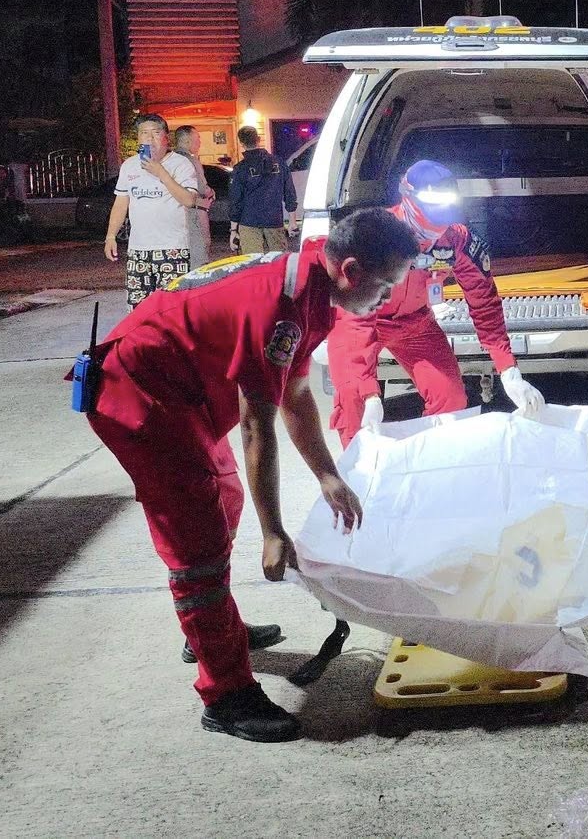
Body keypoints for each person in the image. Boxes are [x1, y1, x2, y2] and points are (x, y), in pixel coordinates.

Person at [82, 204, 416, 742]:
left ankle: (212, 631)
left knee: (228, 496)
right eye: (384, 285)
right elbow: (256, 425)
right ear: (350, 270)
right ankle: (226, 693)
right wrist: (274, 532)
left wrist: (327, 475)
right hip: (140, 397)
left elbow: (297, 394)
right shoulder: (283, 305)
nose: (387, 298)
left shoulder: (312, 289)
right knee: (197, 542)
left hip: (180, 395)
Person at [325, 159, 543, 445]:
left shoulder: (455, 240)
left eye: (441, 225)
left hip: (416, 323)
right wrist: (369, 391)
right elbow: (354, 316)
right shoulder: (373, 237)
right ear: (407, 199)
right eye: (428, 227)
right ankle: (356, 482)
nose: (433, 237)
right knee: (355, 402)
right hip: (362, 319)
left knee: (451, 398)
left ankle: (431, 463)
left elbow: (484, 301)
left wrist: (508, 369)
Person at [104, 114, 203, 306]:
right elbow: (121, 203)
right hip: (138, 250)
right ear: (138, 138)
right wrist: (110, 236)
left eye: (156, 133)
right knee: (138, 308)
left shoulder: (181, 164)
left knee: (172, 308)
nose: (150, 138)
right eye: (144, 133)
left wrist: (161, 173)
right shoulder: (129, 165)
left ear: (166, 138)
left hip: (172, 249)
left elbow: (189, 201)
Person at [228, 126, 298, 254]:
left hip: (249, 221)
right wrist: (292, 220)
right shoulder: (279, 163)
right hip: (274, 220)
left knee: (253, 263)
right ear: (258, 139)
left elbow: (235, 200)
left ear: (241, 143)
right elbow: (289, 192)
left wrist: (233, 230)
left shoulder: (240, 169)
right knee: (278, 262)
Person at [172, 125, 215, 268]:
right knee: (200, 247)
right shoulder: (190, 160)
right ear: (187, 141)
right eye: (198, 138)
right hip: (194, 209)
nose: (200, 142)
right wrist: (210, 191)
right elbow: (201, 187)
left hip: (176, 211)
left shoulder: (170, 159)